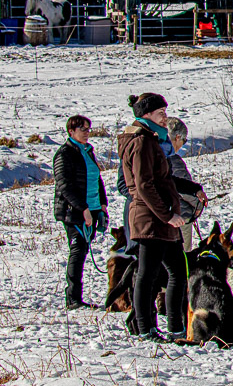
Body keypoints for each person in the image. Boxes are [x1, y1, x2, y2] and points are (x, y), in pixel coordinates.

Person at [119, 93, 198, 341]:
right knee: (147, 274)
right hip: (149, 217)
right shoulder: (141, 142)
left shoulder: (153, 141)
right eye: (160, 113)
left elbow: (164, 180)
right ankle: (146, 329)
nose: (165, 117)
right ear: (146, 115)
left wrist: (193, 188)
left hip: (161, 218)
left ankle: (176, 328)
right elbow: (143, 184)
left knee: (176, 271)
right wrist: (168, 215)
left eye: (165, 111)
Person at [53, 115, 108, 309]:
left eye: (88, 129)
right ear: (71, 131)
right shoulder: (65, 153)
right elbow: (64, 186)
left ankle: (77, 297)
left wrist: (102, 204)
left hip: (92, 209)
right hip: (74, 211)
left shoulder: (88, 151)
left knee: (83, 250)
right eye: (83, 129)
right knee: (77, 252)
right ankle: (73, 298)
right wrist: (82, 208)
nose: (87, 132)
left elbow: (96, 178)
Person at [163, 117, 206, 252]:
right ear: (177, 137)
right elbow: (183, 190)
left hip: (165, 216)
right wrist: (198, 206)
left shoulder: (156, 155)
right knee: (183, 259)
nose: (183, 144)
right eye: (184, 140)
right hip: (180, 216)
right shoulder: (173, 160)